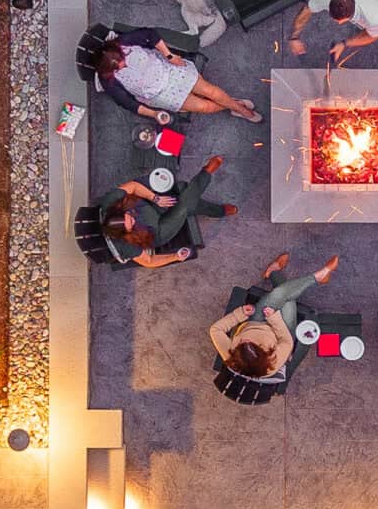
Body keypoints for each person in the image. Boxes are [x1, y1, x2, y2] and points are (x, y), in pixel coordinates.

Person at [208, 252, 342, 381]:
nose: (246, 339)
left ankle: (284, 272)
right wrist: (274, 319)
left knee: (281, 294)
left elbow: (215, 330)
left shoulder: (230, 354)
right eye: (253, 344)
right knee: (287, 299)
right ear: (263, 355)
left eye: (242, 343)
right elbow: (287, 342)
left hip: (256, 322)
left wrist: (240, 314)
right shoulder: (271, 363)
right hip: (282, 332)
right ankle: (277, 272)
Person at [97, 154, 231, 269]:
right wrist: (175, 257)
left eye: (128, 215)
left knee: (183, 189)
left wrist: (155, 198)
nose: (133, 219)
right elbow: (149, 261)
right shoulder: (124, 245)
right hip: (157, 231)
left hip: (149, 208)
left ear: (118, 210)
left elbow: (132, 186)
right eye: (130, 223)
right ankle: (206, 173)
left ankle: (218, 211)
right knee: (184, 206)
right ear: (125, 233)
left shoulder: (109, 202)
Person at [94, 29, 261, 121]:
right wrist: (154, 114)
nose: (123, 65)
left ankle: (243, 111)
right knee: (206, 107)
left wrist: (169, 55)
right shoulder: (108, 80)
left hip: (170, 70)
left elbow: (150, 35)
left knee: (212, 93)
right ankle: (233, 104)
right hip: (160, 94)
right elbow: (128, 103)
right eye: (118, 68)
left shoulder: (124, 42)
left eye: (120, 60)